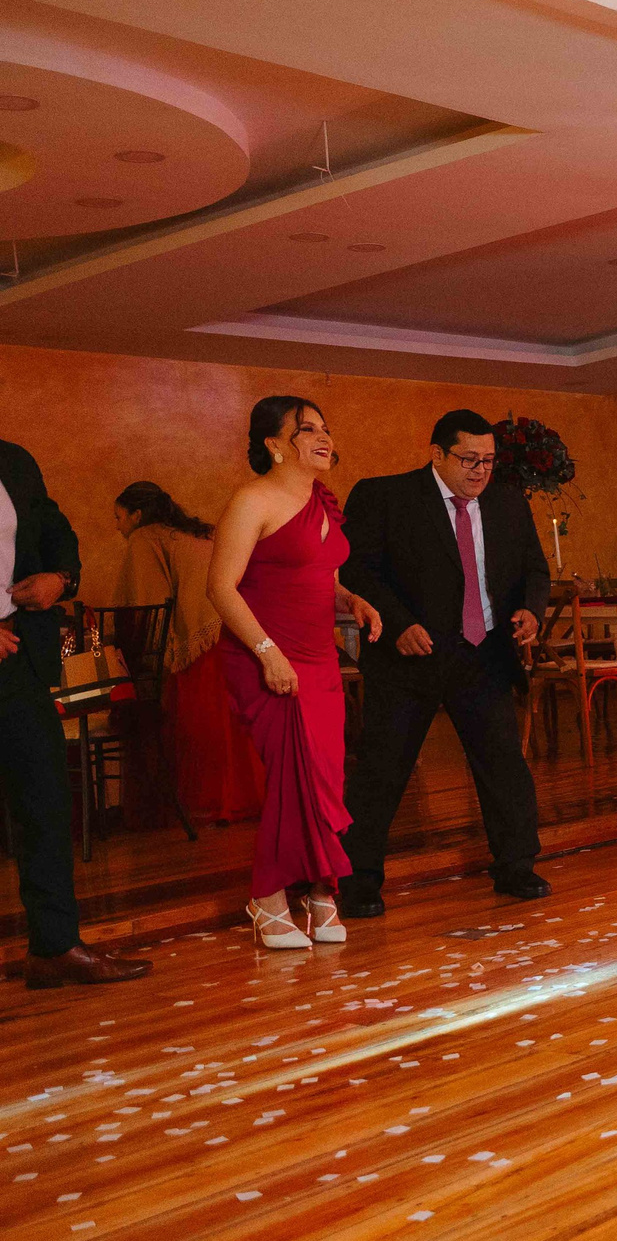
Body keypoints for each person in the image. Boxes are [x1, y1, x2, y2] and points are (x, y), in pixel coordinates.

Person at [339, 409, 552, 912]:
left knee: (503, 763)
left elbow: (533, 569)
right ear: (436, 454)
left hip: (483, 655)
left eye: (489, 461)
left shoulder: (507, 502)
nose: (480, 470)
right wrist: (394, 625)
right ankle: (359, 879)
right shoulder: (385, 496)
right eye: (469, 459)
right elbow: (356, 569)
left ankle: (516, 865)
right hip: (409, 658)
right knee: (383, 769)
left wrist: (530, 610)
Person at [208, 397, 384, 948]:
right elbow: (220, 587)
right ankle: (267, 897)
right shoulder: (251, 499)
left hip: (319, 657)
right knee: (295, 777)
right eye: (308, 429)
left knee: (326, 777)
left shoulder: (322, 502)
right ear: (275, 444)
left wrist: (351, 599)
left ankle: (321, 894)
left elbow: (315, 576)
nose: (324, 437)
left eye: (326, 428)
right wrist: (267, 652)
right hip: (264, 656)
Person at [0, 437, 150, 987]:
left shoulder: (14, 460)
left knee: (44, 799)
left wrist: (61, 578)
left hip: (17, 659)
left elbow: (53, 529)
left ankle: (54, 948)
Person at [107, 481, 260, 821]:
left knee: (202, 724)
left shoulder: (145, 538)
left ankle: (214, 802)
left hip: (199, 638)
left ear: (137, 515)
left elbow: (148, 606)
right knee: (233, 721)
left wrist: (125, 648)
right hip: (238, 627)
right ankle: (248, 797)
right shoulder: (194, 531)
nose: (117, 526)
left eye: (118, 517)